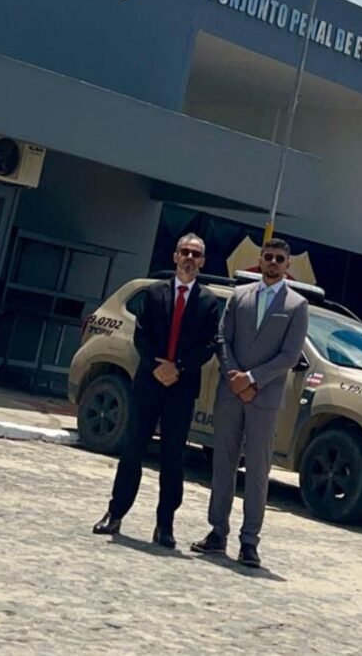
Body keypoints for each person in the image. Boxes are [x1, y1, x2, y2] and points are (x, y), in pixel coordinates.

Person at [92, 234, 220, 548]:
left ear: (202, 261)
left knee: (172, 458)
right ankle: (115, 513)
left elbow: (209, 345)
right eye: (184, 252)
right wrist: (157, 367)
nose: (189, 258)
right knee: (133, 450)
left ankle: (165, 524)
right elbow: (141, 335)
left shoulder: (208, 302)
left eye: (196, 254)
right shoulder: (153, 293)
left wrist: (178, 368)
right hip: (149, 383)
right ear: (175, 256)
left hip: (181, 387)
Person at [191, 238, 309, 568]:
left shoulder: (297, 305)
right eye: (268, 257)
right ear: (260, 259)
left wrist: (253, 379)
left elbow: (290, 355)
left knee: (258, 470)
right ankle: (217, 532)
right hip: (230, 393)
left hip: (264, 397)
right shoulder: (239, 296)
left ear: (287, 265)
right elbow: (222, 339)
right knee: (223, 464)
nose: (273, 262)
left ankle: (249, 541)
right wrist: (235, 378)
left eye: (279, 259)